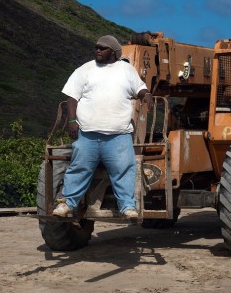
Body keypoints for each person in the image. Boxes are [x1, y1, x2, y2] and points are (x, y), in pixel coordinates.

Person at [52, 35, 154, 219]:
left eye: (102, 48)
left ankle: (127, 207)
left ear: (113, 52)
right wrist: (72, 121)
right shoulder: (85, 69)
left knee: (124, 169)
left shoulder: (126, 70)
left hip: (119, 135)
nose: (97, 50)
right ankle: (67, 204)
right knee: (79, 168)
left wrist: (145, 94)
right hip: (87, 134)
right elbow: (72, 98)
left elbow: (139, 88)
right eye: (96, 47)